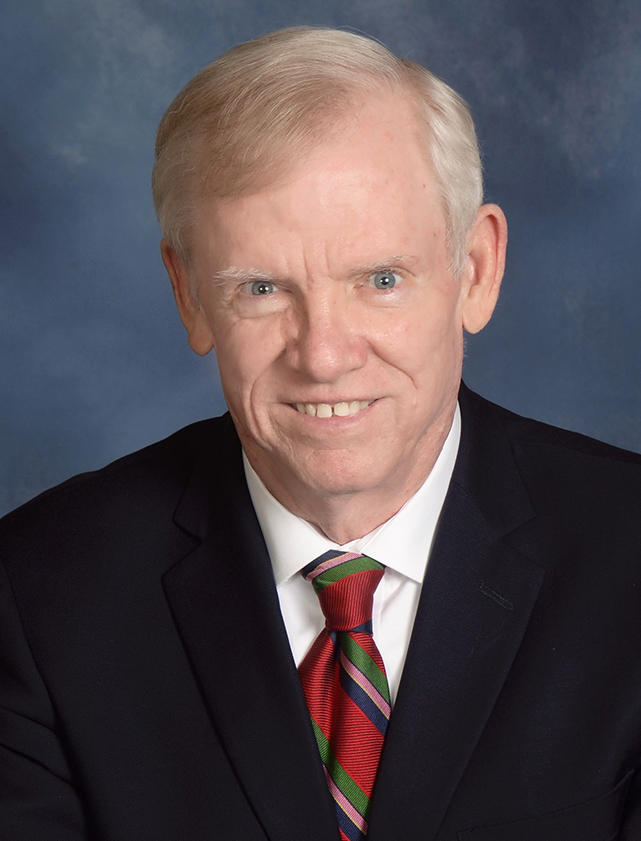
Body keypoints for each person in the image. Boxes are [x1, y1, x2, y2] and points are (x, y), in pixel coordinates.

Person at [1, 26, 640, 841]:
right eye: (261, 288)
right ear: (189, 294)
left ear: (474, 271)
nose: (324, 355)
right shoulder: (36, 594)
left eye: (380, 279)